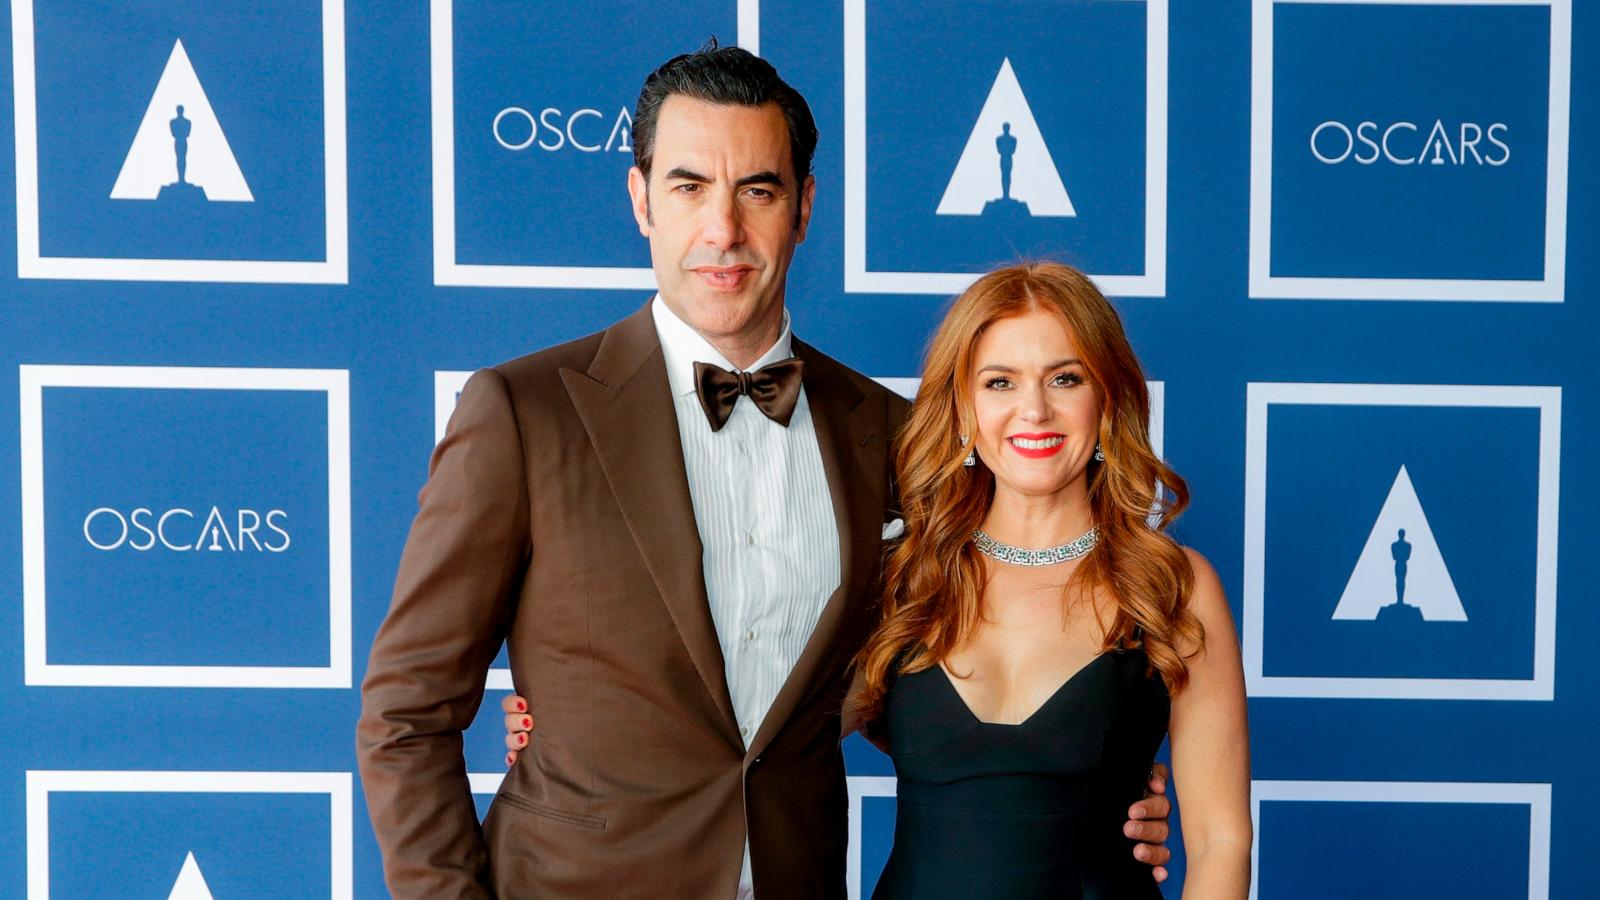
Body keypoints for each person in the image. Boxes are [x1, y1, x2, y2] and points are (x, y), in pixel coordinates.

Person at [357, 44, 1171, 899]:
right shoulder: (524, 414)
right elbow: (406, 715)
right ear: (641, 201)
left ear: (804, 207)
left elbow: (943, 680)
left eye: (759, 189)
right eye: (688, 187)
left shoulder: (893, 437)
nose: (724, 231)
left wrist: (1084, 784)